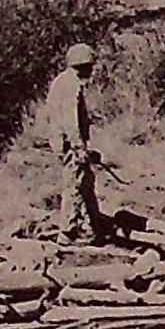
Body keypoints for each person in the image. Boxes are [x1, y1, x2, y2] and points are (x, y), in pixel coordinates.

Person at [45, 43, 106, 245]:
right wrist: (79, 147)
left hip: (62, 141)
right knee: (75, 184)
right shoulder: (72, 85)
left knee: (86, 181)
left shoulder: (60, 82)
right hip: (70, 144)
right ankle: (67, 232)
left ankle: (96, 224)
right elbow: (70, 120)